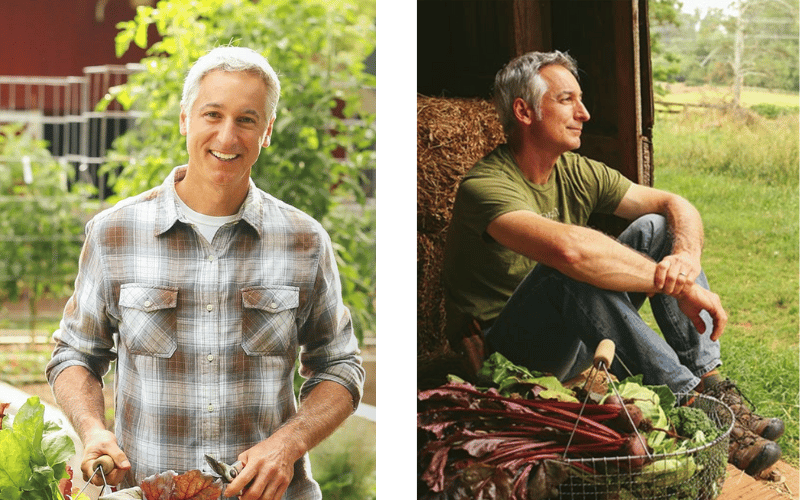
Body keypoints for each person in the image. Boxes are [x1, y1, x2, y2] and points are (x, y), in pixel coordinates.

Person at [441, 50, 783, 476]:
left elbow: (675, 203)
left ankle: (714, 386)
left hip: (576, 332)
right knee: (568, 271)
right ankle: (693, 402)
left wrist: (686, 259)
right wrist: (683, 288)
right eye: (567, 100)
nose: (584, 113)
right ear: (524, 111)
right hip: (510, 354)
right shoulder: (484, 186)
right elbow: (570, 253)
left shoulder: (576, 171)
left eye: (580, 100)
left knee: (658, 227)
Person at [46, 46, 365, 500]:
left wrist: (287, 445)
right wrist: (94, 430)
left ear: (267, 131)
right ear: (185, 120)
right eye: (212, 114)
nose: (227, 136)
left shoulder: (305, 240)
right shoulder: (114, 233)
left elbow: (340, 364)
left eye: (247, 120)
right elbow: (75, 354)